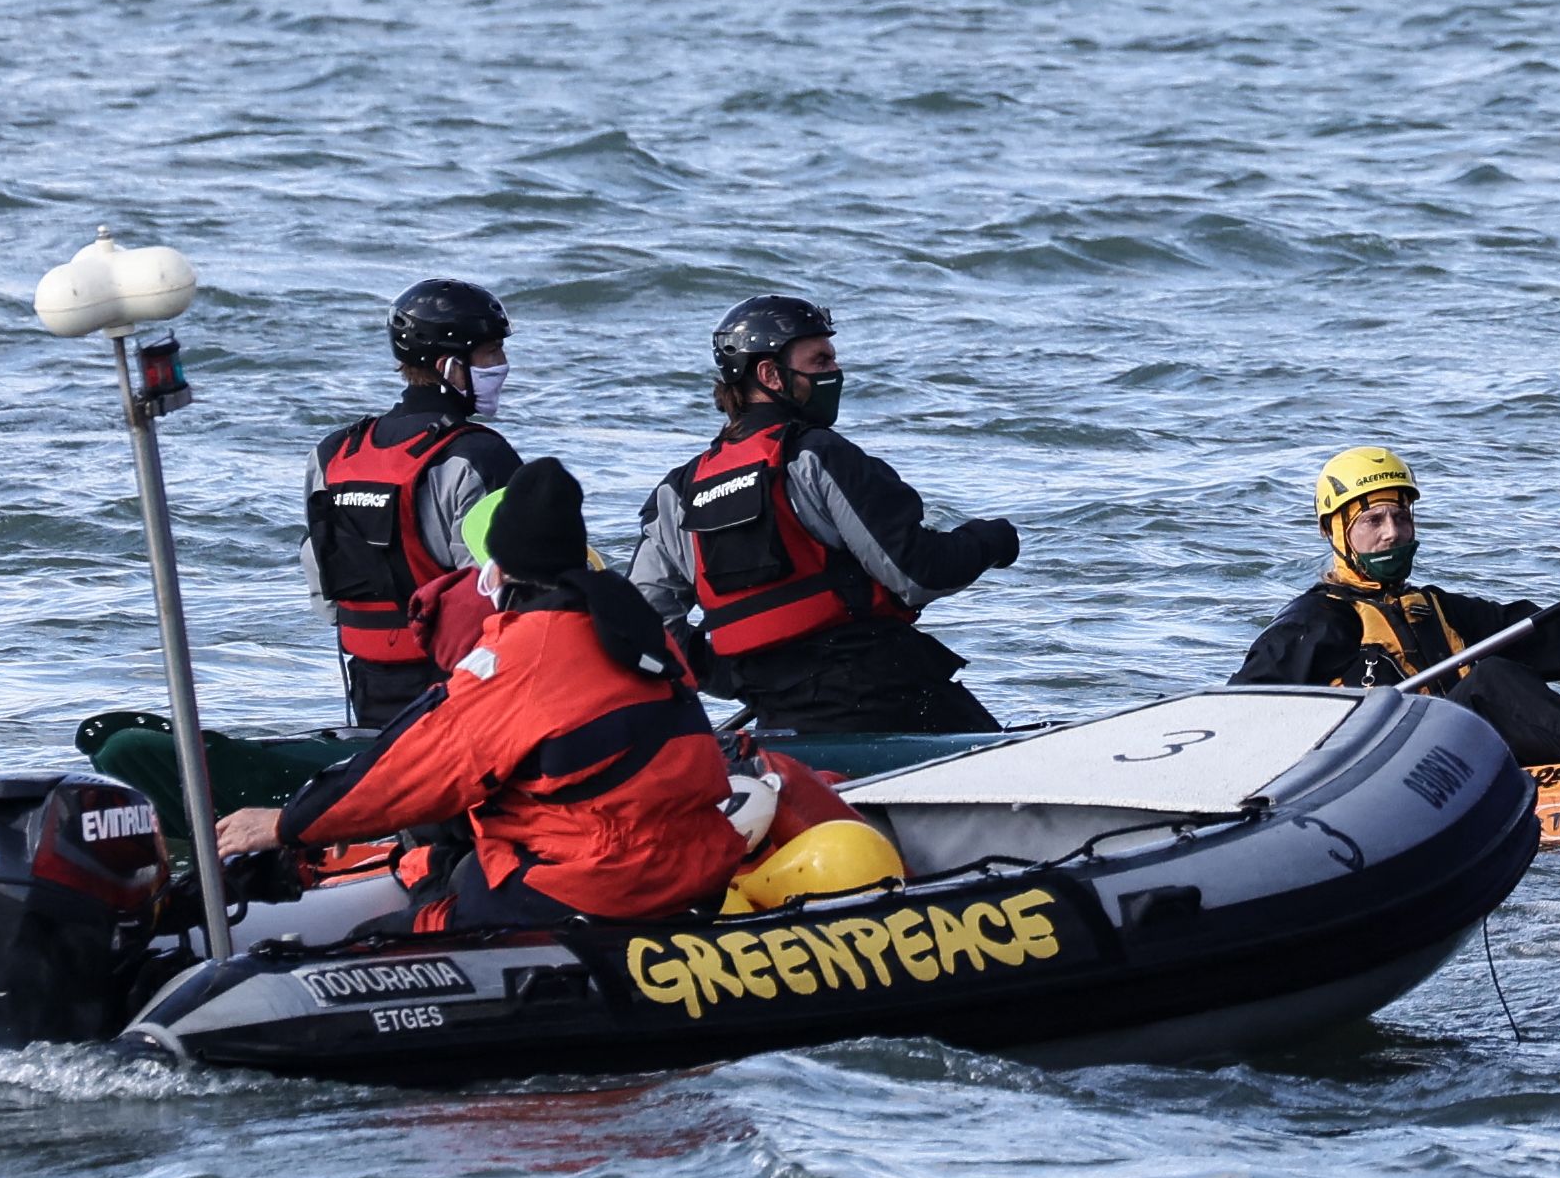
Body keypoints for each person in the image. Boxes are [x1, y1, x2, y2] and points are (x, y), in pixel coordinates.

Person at [218, 457, 746, 931]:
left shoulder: (520, 657)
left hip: (600, 881)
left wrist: (289, 823)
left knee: (369, 944)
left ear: (502, 567)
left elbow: (412, 767)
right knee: (459, 863)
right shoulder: (633, 628)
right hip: (694, 867)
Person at [629, 295, 1020, 736]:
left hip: (777, 716)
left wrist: (736, 672)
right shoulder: (818, 456)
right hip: (884, 694)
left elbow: (644, 626)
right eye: (820, 361)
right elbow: (918, 573)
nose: (835, 372)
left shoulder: (678, 492)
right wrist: (992, 541)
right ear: (770, 374)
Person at [1235, 445, 1560, 768]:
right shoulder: (1312, 624)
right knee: (1488, 682)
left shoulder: (1440, 609)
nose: (1392, 533)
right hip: (1425, 773)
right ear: (1335, 533)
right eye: (1373, 521)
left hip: (1502, 755)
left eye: (1401, 517)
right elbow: (1245, 715)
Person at [307, 278, 523, 728]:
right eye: (490, 353)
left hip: (368, 685)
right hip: (456, 690)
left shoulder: (332, 453)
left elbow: (322, 582)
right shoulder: (481, 457)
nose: (502, 365)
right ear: (449, 365)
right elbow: (501, 595)